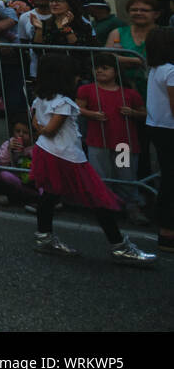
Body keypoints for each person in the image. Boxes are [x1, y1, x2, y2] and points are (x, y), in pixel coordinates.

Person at [27, 54, 154, 265]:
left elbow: (37, 124)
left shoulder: (41, 98)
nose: (78, 79)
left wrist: (40, 129)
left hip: (47, 151)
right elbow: (50, 129)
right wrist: (43, 129)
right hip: (67, 156)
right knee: (98, 198)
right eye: (74, 75)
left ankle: (44, 236)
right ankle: (119, 246)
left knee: (50, 195)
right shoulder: (64, 102)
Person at [77, 53, 146, 223]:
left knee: (125, 174)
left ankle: (131, 205)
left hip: (123, 142)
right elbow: (78, 109)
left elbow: (144, 113)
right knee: (101, 175)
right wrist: (92, 114)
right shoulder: (86, 89)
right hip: (98, 142)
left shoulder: (129, 93)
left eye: (105, 68)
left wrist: (133, 113)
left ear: (116, 71)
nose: (99, 71)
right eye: (96, 68)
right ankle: (105, 206)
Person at [141, 28, 174, 253]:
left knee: (168, 177)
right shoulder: (170, 70)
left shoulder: (156, 68)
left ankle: (165, 229)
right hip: (169, 128)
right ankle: (167, 231)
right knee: (171, 180)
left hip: (156, 126)